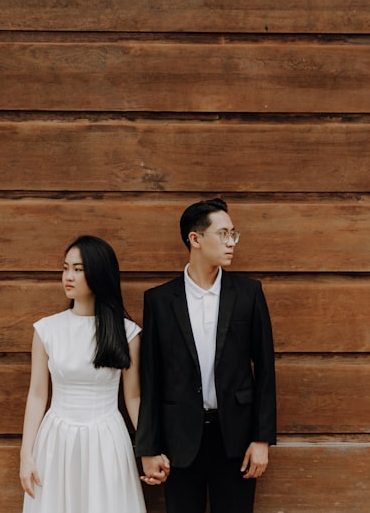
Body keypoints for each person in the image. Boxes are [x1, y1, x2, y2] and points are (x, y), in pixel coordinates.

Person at [136, 198, 277, 513]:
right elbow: (151, 377)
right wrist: (148, 448)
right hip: (180, 440)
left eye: (233, 234)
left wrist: (261, 439)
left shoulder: (248, 293)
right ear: (195, 239)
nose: (231, 243)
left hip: (237, 440)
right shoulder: (159, 301)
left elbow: (265, 369)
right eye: (223, 234)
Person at [19, 235, 147, 512]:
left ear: (99, 274)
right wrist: (26, 454)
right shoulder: (46, 330)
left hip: (107, 439)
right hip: (56, 439)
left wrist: (150, 447)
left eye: (78, 269)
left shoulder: (127, 333)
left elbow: (133, 398)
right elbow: (38, 395)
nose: (68, 276)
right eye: (66, 268)